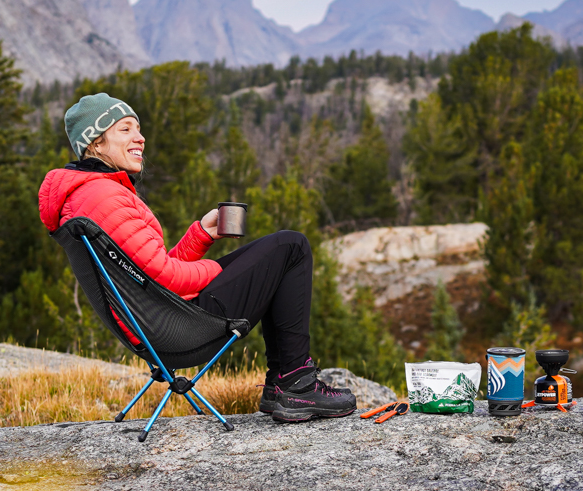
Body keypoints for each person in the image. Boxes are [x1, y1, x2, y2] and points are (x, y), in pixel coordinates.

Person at [38, 93, 356, 423]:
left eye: (139, 129)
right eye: (126, 129)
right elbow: (164, 279)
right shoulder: (103, 195)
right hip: (179, 329)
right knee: (291, 246)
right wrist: (221, 270)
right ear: (96, 143)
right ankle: (296, 383)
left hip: (159, 322)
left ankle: (283, 384)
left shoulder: (88, 195)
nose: (140, 138)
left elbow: (148, 276)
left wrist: (201, 234)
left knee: (278, 252)